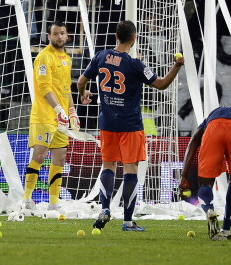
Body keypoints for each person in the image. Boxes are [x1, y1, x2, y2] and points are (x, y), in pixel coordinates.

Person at [77, 20, 184, 232]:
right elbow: (161, 84)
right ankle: (127, 221)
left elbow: (81, 81)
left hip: (107, 123)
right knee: (131, 169)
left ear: (116, 36)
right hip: (130, 125)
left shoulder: (100, 57)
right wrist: (177, 66)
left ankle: (105, 209)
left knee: (108, 166)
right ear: (133, 38)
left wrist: (83, 94)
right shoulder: (136, 65)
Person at [179, 106, 231, 241]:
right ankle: (225, 231)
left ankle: (209, 211)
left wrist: (184, 176)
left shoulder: (211, 117)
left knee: (205, 183)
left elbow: (194, 140)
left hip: (213, 129)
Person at [22, 21, 78, 211]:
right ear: (49, 36)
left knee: (60, 159)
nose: (59, 37)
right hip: (45, 116)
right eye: (55, 34)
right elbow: (44, 87)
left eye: (62, 33)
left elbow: (66, 89)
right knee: (39, 155)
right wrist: (58, 110)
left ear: (67, 36)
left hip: (61, 119)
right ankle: (26, 198)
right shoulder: (44, 58)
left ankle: (54, 202)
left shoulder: (67, 59)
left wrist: (71, 112)